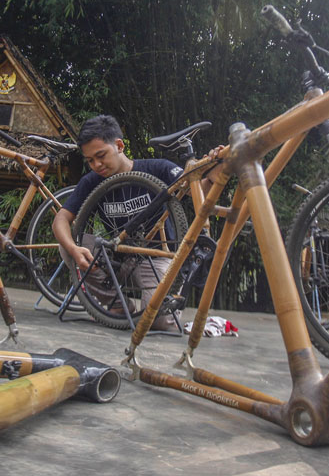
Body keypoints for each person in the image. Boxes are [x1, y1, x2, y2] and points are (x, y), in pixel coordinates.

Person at [52, 115, 223, 331]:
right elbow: (61, 219)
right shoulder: (91, 181)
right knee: (66, 247)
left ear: (119, 146)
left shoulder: (158, 168)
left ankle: (160, 312)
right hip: (116, 259)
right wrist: (74, 249)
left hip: (156, 258)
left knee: (160, 322)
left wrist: (217, 173)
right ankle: (115, 308)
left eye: (101, 155)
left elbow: (198, 192)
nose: (96, 164)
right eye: (90, 160)